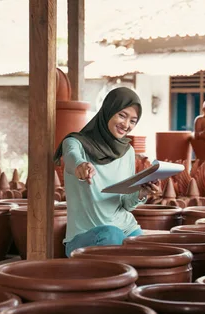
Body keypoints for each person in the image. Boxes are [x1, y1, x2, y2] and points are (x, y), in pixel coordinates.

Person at [53, 87, 158, 257]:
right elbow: (71, 158)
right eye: (122, 115)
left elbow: (126, 203)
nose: (126, 125)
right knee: (112, 235)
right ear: (108, 111)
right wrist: (81, 165)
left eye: (133, 120)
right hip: (85, 237)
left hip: (126, 228)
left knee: (149, 254)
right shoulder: (75, 142)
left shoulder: (128, 152)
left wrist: (141, 191)